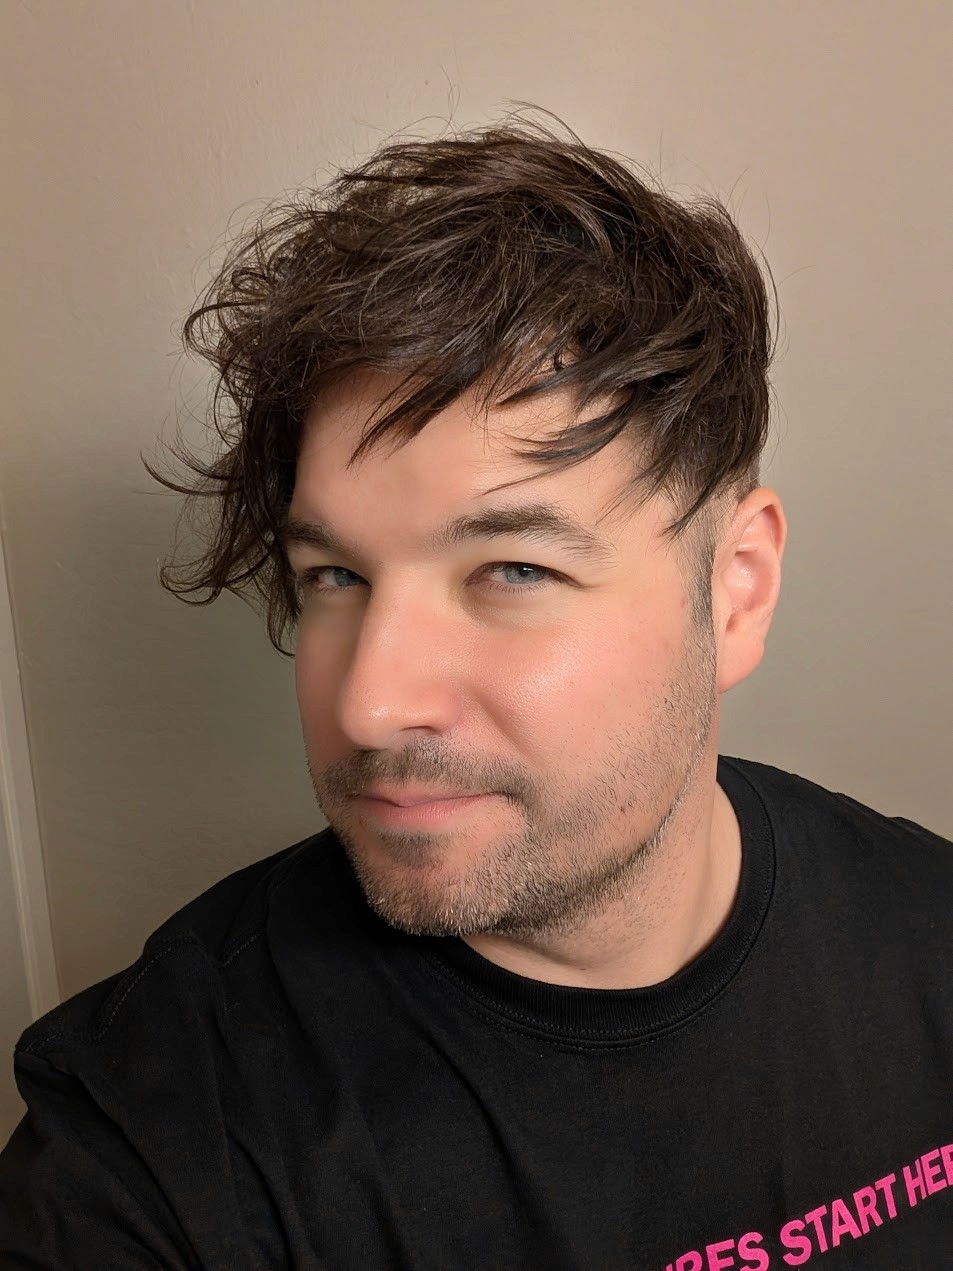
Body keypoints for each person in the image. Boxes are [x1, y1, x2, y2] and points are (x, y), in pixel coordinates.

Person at [1, 113, 951, 1270]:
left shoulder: (925, 934)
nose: (367, 705)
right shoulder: (156, 1134)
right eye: (334, 574)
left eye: (512, 569)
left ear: (734, 589)